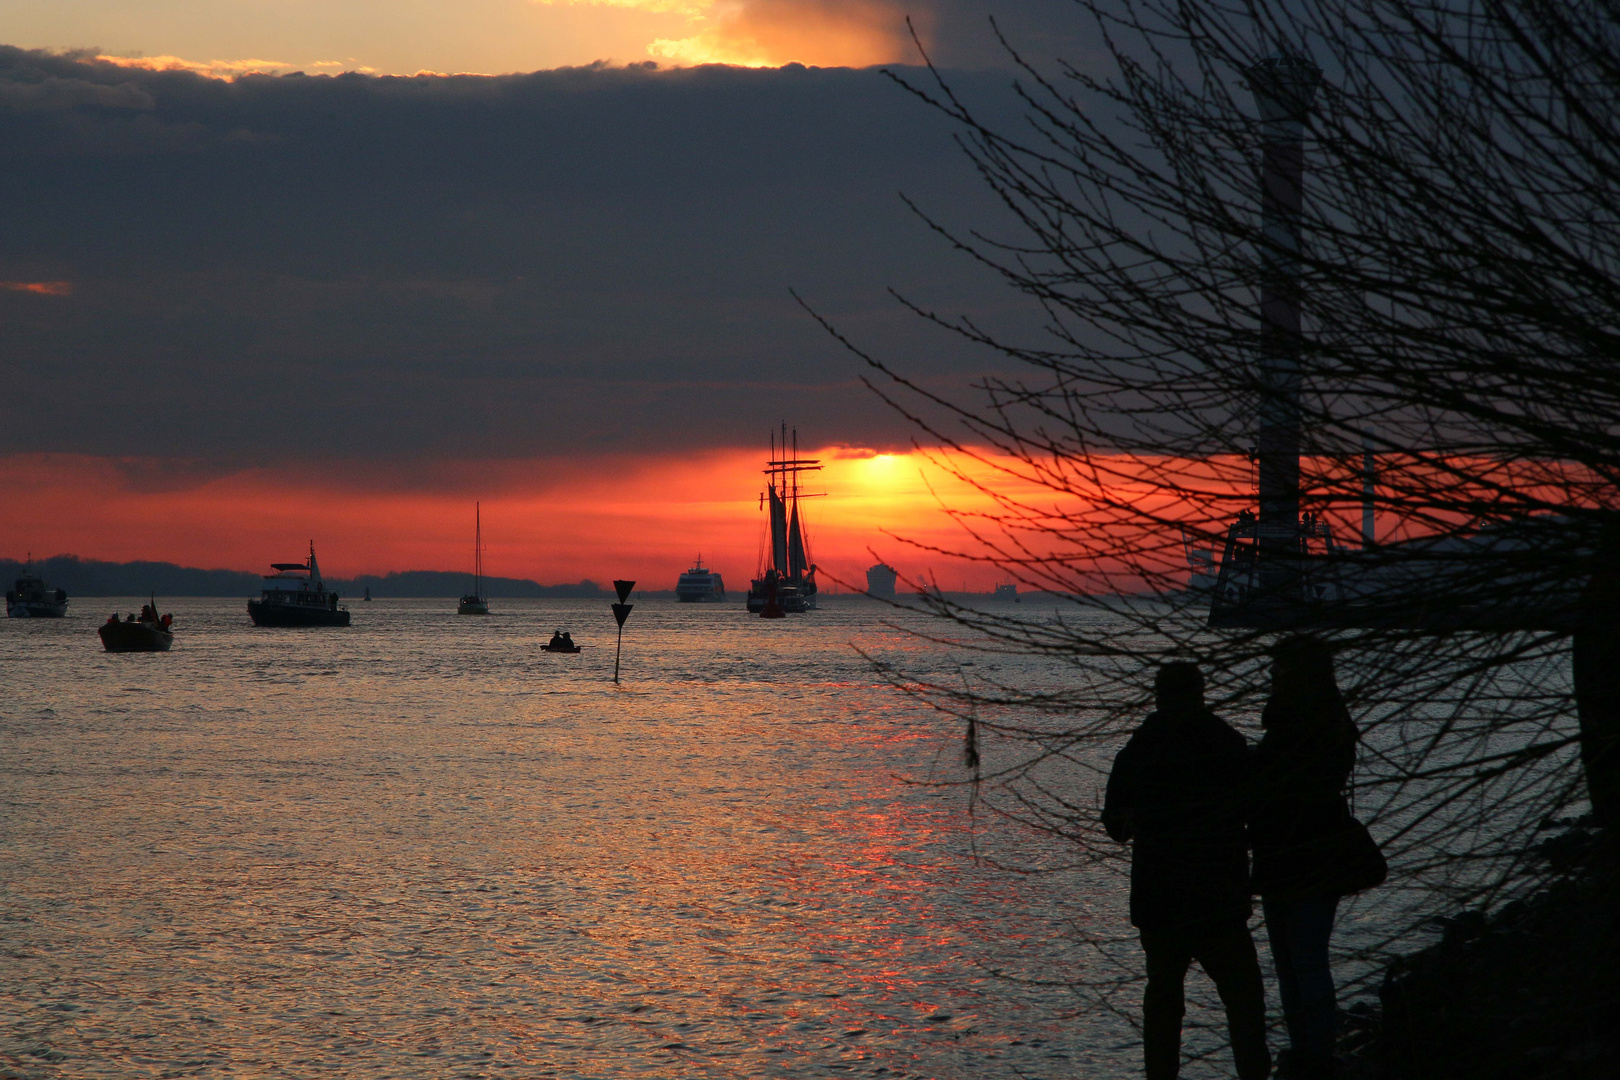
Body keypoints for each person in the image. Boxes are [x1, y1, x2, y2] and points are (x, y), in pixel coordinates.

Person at [1103, 662, 1271, 1080]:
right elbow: (1256, 811)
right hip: (1220, 893)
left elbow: (1115, 827)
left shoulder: (1140, 749)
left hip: (1159, 896)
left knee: (1163, 999)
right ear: (1201, 693)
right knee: (1243, 998)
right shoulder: (1227, 742)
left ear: (1159, 695)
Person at [1250, 636, 1361, 1080]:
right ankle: (1312, 1049)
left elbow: (1283, 778)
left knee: (1300, 958)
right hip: (1311, 846)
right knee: (1300, 957)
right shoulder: (1331, 720)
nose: (1270, 678)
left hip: (1291, 847)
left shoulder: (1293, 724)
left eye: (1277, 670)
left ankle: (1313, 1051)